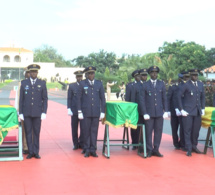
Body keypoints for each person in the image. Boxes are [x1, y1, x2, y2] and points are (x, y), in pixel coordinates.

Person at [19, 64, 48, 159]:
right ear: (29, 73)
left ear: (37, 73)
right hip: (27, 112)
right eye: (32, 72)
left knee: (36, 132)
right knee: (28, 132)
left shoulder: (42, 83)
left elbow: (45, 99)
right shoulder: (24, 83)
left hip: (37, 112)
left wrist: (44, 112)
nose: (33, 73)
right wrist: (21, 112)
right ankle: (30, 152)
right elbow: (21, 99)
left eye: (35, 72)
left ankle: (36, 152)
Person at [77, 66, 105, 157]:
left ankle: (93, 149)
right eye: (89, 73)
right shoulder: (82, 84)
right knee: (86, 131)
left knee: (94, 131)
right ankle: (87, 149)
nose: (91, 75)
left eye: (92, 73)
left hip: (96, 112)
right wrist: (79, 111)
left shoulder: (99, 84)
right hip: (86, 112)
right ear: (86, 75)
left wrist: (102, 111)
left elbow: (102, 98)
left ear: (94, 74)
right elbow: (78, 99)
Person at [140, 66, 168, 157]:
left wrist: (166, 110)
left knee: (158, 132)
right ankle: (149, 150)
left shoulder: (161, 84)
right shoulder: (145, 84)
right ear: (149, 74)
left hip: (159, 112)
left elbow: (164, 98)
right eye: (152, 72)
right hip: (149, 113)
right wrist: (144, 112)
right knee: (148, 132)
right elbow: (142, 100)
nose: (154, 74)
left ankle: (156, 149)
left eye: (156, 72)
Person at [178, 69, 205, 156]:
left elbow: (203, 97)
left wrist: (203, 108)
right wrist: (181, 109)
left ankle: (194, 146)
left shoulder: (200, 84)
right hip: (188, 111)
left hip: (197, 111)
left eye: (196, 75)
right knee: (187, 130)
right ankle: (188, 148)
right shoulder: (186, 85)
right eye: (193, 75)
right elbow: (178, 96)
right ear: (190, 76)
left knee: (196, 131)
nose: (195, 77)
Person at [67, 70, 84, 150]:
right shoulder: (72, 86)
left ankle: (81, 142)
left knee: (83, 127)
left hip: (83, 110)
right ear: (76, 77)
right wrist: (69, 108)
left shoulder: (85, 85)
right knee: (74, 127)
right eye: (78, 76)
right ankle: (75, 143)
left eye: (80, 76)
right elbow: (69, 98)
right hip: (74, 109)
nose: (79, 78)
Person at [167, 73, 183, 149]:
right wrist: (168, 110)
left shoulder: (185, 87)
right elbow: (169, 99)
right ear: (179, 79)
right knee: (174, 128)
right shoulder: (173, 87)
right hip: (174, 112)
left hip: (182, 112)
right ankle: (176, 143)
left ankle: (182, 142)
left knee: (183, 129)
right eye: (181, 78)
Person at [17, 67, 30, 154]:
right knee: (24, 129)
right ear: (25, 74)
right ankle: (25, 146)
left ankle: (31, 146)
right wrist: (19, 110)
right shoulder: (21, 83)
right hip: (24, 110)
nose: (29, 74)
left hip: (33, 110)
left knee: (33, 130)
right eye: (27, 73)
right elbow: (18, 97)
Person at [130, 70, 142, 150]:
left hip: (143, 110)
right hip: (134, 110)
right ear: (134, 77)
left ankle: (142, 143)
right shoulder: (130, 85)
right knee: (134, 127)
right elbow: (128, 99)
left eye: (139, 76)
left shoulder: (144, 84)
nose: (138, 77)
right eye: (136, 76)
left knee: (143, 128)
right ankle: (134, 142)